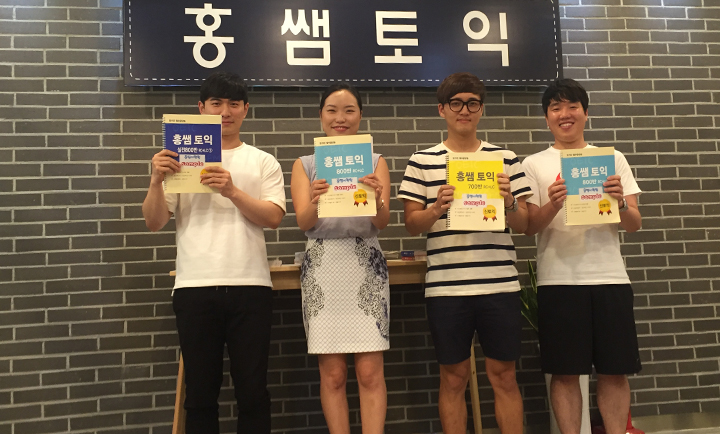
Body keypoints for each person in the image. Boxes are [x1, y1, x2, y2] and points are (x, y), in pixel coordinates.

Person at [141, 71, 286, 434]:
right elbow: (154, 221)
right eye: (216, 103)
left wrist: (232, 191)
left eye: (234, 104)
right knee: (200, 395)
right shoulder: (179, 159)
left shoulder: (262, 161)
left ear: (246, 109)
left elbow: (273, 218)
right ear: (201, 108)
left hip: (251, 286)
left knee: (253, 393)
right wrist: (156, 180)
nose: (225, 111)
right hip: (195, 287)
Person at [398, 72, 531, 434]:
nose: (465, 110)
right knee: (453, 377)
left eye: (472, 103)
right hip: (447, 288)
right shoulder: (422, 160)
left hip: (499, 284)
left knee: (504, 375)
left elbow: (525, 224)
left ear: (481, 109)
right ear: (442, 109)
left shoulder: (504, 159)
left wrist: (510, 201)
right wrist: (436, 209)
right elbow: (411, 224)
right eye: (456, 103)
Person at [523, 78, 642, 434]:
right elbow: (528, 226)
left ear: (585, 113)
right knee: (564, 373)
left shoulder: (612, 159)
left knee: (614, 371)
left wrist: (620, 203)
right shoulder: (534, 164)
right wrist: (552, 203)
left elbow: (634, 224)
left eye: (572, 106)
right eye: (556, 108)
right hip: (558, 281)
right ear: (547, 117)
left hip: (610, 278)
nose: (565, 114)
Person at [290, 83, 391, 434]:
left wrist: (377, 197)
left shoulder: (375, 161)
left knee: (370, 372)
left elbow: (382, 222)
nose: (340, 118)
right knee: (332, 374)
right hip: (323, 265)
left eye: (349, 110)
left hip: (366, 263)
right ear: (321, 116)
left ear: (360, 116)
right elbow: (304, 222)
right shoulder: (305, 165)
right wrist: (315, 200)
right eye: (332, 110)